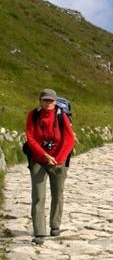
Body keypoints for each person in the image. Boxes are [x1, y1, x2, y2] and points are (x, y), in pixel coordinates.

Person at [25, 89, 75, 245]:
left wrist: (58, 159)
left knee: (57, 194)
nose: (48, 103)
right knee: (38, 195)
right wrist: (45, 156)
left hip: (58, 161)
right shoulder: (33, 115)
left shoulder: (62, 117)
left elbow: (69, 139)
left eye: (51, 101)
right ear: (40, 101)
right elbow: (31, 138)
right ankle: (39, 232)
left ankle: (55, 226)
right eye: (45, 100)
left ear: (55, 102)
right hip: (38, 160)